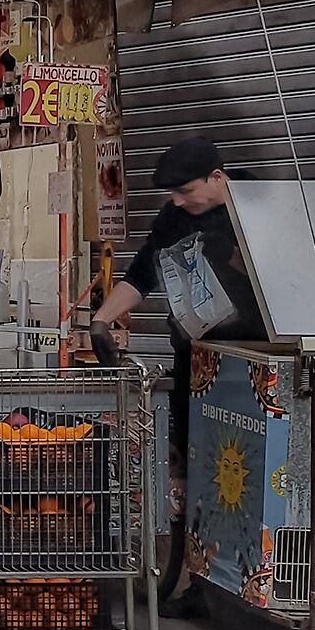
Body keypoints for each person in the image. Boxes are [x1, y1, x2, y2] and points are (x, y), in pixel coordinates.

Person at [92, 134, 268, 481]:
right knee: (195, 461)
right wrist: (101, 321)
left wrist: (231, 256)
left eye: (185, 191)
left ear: (216, 177)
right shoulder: (176, 216)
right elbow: (144, 272)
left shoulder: (259, 205)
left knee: (242, 468)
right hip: (195, 360)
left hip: (249, 362)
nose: (176, 200)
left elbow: (282, 277)